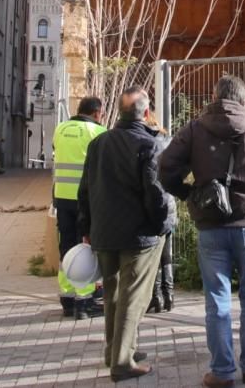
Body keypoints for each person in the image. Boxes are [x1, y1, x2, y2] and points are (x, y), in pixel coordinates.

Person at [159, 75, 245, 388]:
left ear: (214, 97)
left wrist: (188, 193)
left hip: (211, 226)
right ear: (244, 100)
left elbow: (164, 169)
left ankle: (221, 372)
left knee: (216, 300)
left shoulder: (194, 130)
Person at [78, 87, 171, 383]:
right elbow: (155, 194)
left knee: (113, 294)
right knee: (133, 297)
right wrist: (161, 225)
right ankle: (121, 362)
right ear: (145, 113)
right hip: (139, 235)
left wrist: (87, 228)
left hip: (104, 231)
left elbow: (85, 190)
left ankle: (115, 349)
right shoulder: (149, 144)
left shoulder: (98, 143)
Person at [52, 96, 107, 319]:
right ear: (96, 113)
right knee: (85, 247)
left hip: (62, 198)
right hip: (86, 199)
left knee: (66, 247)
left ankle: (66, 297)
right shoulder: (97, 132)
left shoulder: (60, 129)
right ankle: (84, 301)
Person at [146, 115, 176, 314]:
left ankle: (155, 296)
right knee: (167, 254)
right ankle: (169, 296)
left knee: (153, 254)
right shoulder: (169, 142)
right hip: (169, 202)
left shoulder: (145, 144)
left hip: (151, 204)